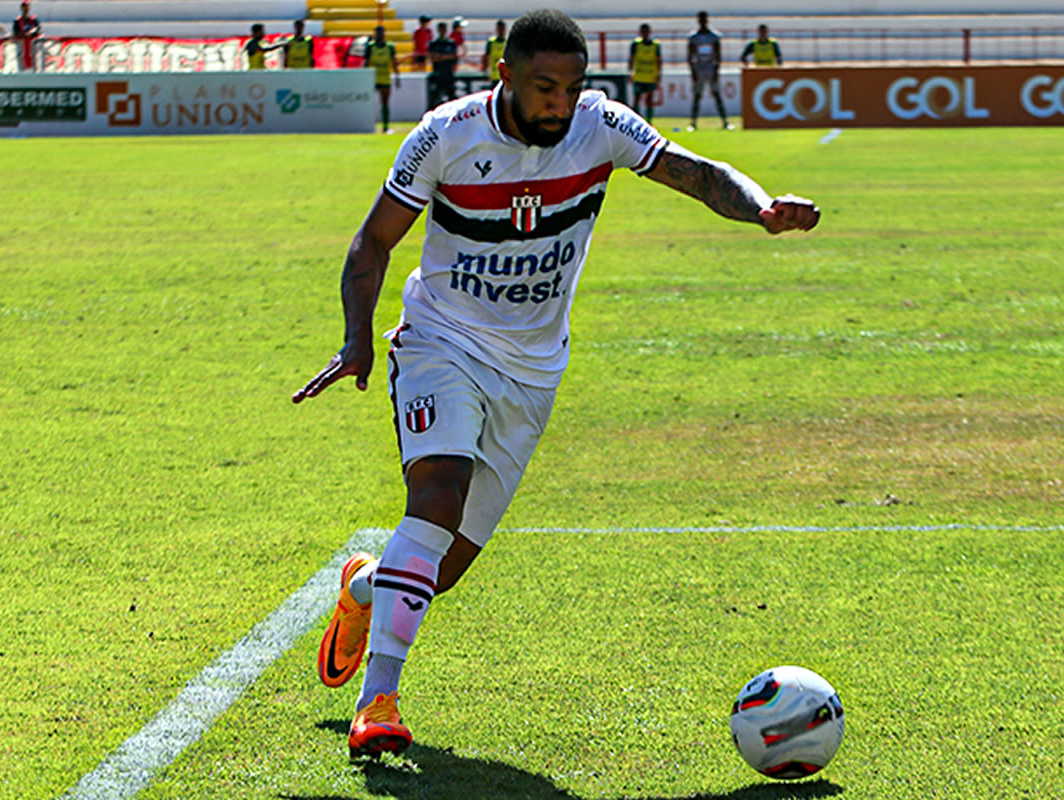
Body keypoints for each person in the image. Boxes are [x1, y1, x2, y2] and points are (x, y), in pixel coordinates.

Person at [292, 8, 819, 760]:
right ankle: (378, 703)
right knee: (435, 497)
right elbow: (373, 241)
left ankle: (363, 589)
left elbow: (696, 172)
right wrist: (355, 338)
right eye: (545, 87)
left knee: (441, 570)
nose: (560, 104)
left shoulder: (600, 125)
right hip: (442, 341)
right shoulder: (445, 136)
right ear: (503, 74)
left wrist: (760, 207)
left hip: (534, 370)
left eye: (572, 88)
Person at [686, 10, 731, 131]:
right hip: (699, 70)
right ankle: (693, 122)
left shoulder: (714, 37)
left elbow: (718, 55)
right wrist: (693, 72)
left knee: (717, 95)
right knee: (697, 96)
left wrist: (717, 71)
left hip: (711, 70)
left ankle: (725, 121)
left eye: (704, 19)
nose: (702, 22)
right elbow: (690, 56)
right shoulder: (693, 38)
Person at [364, 25, 399, 133]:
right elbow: (366, 63)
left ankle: (385, 126)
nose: (379, 35)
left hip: (385, 78)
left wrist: (397, 77)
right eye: (377, 33)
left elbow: (394, 62)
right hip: (372, 78)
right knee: (368, 102)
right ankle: (368, 125)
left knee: (385, 102)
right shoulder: (370, 47)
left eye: (381, 33)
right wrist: (364, 77)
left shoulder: (389, 47)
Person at [628, 23, 661, 124]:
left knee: (649, 99)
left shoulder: (655, 45)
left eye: (646, 31)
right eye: (643, 31)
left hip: (650, 75)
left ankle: (649, 121)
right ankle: (635, 120)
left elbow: (658, 60)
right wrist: (630, 72)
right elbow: (631, 59)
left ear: (649, 32)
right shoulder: (636, 44)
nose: (645, 33)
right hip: (639, 75)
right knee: (637, 99)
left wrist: (658, 74)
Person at [426, 20, 458, 108]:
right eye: (441, 29)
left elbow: (454, 56)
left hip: (448, 74)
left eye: (444, 29)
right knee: (434, 99)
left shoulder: (451, 43)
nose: (442, 31)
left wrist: (441, 56)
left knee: (452, 98)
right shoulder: (433, 44)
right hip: (437, 74)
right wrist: (446, 56)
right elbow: (432, 57)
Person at [11, 1, 40, 72]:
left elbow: (38, 28)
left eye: (27, 7)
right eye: (24, 7)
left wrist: (31, 32)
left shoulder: (33, 19)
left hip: (32, 45)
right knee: (21, 59)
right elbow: (15, 32)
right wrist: (22, 35)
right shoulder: (17, 20)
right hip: (22, 45)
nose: (25, 9)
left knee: (34, 58)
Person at [481, 19, 507, 88]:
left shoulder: (508, 42)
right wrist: (485, 72)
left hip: (505, 77)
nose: (501, 30)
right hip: (494, 75)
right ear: (497, 29)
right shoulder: (491, 42)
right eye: (500, 28)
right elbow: (486, 57)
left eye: (503, 28)